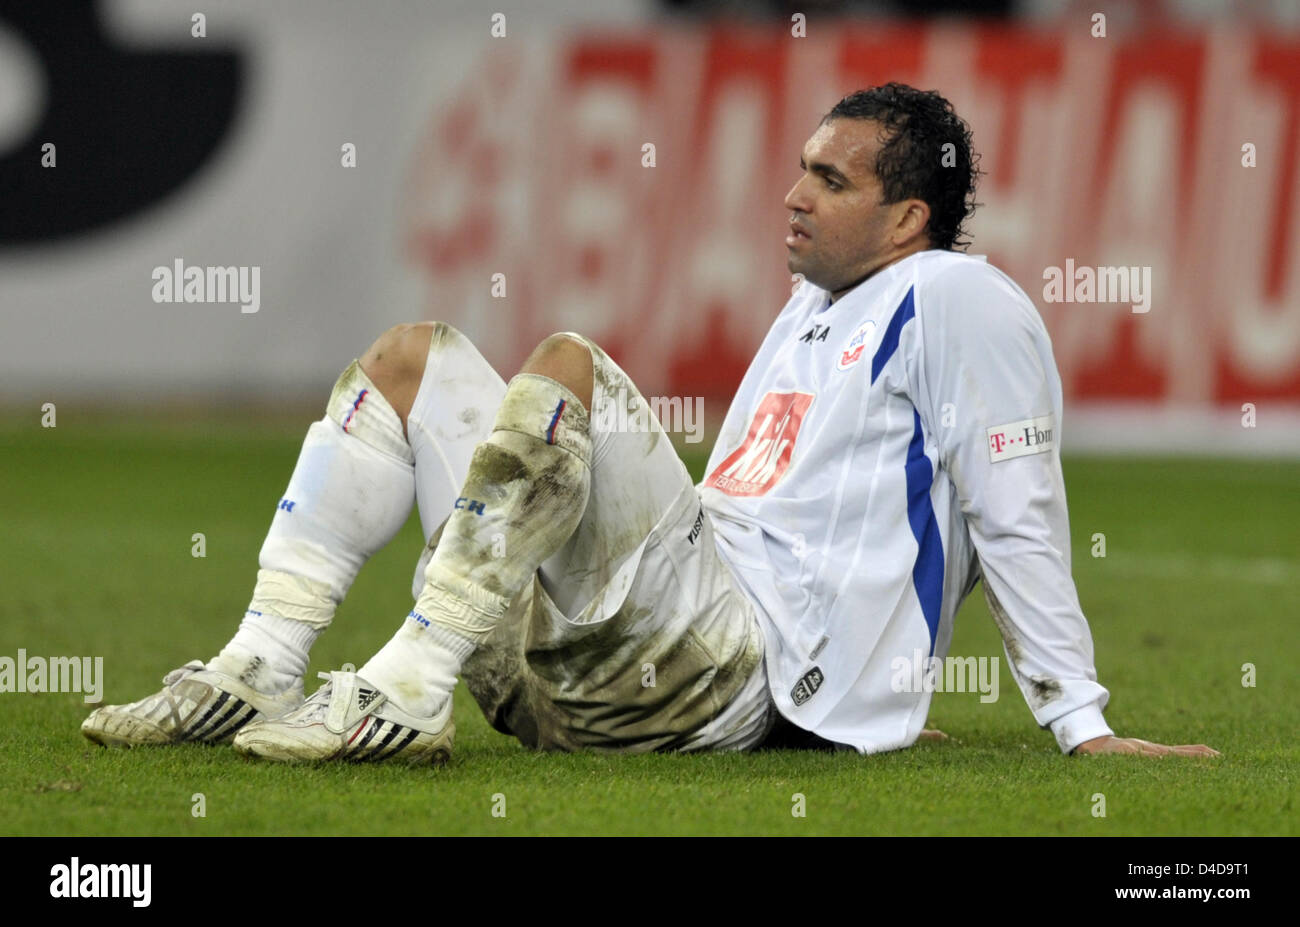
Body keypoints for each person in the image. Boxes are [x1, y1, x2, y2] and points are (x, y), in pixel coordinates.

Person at [82, 83, 1219, 762]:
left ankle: (410, 685)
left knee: (566, 365)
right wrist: (869, 697)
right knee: (411, 362)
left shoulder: (959, 300)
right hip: (621, 663)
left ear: (907, 216)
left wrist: (1078, 719)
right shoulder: (816, 306)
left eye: (829, 179)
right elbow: (771, 502)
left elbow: (1010, 511)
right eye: (799, 169)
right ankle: (256, 663)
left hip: (715, 665)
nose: (793, 193)